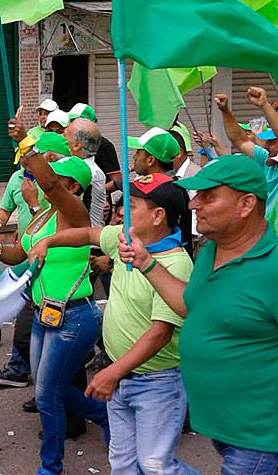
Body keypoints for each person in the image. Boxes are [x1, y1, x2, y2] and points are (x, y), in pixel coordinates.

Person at [118, 155, 278, 475]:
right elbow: (191, 307)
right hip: (225, 430)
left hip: (264, 439)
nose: (193, 206)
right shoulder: (212, 250)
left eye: (208, 196)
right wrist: (146, 262)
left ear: (246, 204)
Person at [30, 173, 196, 474]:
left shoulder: (175, 263)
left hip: (156, 383)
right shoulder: (123, 238)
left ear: (158, 216)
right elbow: (88, 234)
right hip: (119, 377)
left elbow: (159, 334)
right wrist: (48, 241)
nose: (121, 211)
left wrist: (111, 373)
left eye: (131, 206)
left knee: (156, 464)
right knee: (122, 462)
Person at [0, 114, 109, 475]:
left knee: (46, 396)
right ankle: (105, 414)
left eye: (59, 176)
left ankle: (50, 467)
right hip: (43, 314)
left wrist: (27, 143)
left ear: (73, 186)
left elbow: (50, 184)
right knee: (47, 386)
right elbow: (19, 253)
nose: (48, 180)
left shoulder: (75, 212)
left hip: (73, 317)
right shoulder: (43, 217)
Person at [218, 88, 278, 216]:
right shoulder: (268, 159)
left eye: (273, 141)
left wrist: (264, 105)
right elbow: (240, 141)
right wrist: (225, 111)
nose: (267, 144)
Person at [128, 128, 193, 258]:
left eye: (138, 153)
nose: (134, 157)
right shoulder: (176, 188)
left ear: (150, 160)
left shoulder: (167, 192)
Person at [67, 103, 122, 193]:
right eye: (71, 121)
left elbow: (117, 180)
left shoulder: (105, 146)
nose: (73, 124)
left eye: (77, 121)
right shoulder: (67, 142)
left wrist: (96, 194)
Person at [65, 118, 106, 226]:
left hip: (87, 239)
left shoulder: (91, 172)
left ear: (76, 145)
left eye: (64, 135)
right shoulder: (77, 166)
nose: (60, 138)